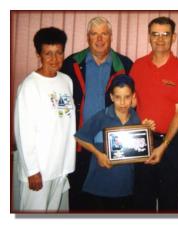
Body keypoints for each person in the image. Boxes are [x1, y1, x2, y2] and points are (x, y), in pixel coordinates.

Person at [61, 16, 133, 210]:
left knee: (114, 205)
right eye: (95, 34)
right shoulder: (71, 64)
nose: (99, 39)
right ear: (87, 37)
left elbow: (133, 104)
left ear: (111, 37)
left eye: (104, 34)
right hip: (80, 145)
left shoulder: (125, 64)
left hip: (114, 145)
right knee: (80, 201)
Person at [130, 17, 178, 212]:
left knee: (170, 201)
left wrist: (164, 145)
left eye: (165, 34)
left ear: (173, 37)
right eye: (155, 34)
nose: (160, 39)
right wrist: (139, 123)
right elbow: (132, 102)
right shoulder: (138, 65)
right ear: (149, 37)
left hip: (173, 144)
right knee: (142, 199)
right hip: (143, 139)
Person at [14, 27, 76, 211]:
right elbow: (23, 131)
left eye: (59, 53)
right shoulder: (30, 86)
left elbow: (65, 122)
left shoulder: (66, 81)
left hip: (61, 166)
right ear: (38, 54)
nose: (55, 59)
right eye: (48, 54)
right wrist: (32, 170)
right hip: (40, 169)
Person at [74, 74, 154, 211]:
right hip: (100, 182)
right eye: (118, 97)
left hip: (125, 184)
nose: (123, 103)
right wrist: (99, 154)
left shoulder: (135, 118)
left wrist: (146, 131)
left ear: (133, 96)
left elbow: (142, 149)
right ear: (111, 97)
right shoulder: (103, 115)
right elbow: (80, 137)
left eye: (127, 97)